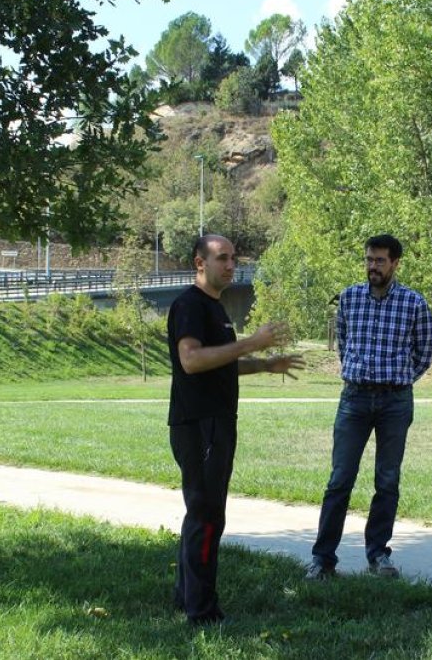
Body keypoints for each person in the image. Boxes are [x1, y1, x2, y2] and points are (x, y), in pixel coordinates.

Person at [167, 234, 304, 625]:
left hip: (216, 423)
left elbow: (219, 362)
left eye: (233, 259)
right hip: (200, 426)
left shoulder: (214, 308)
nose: (231, 265)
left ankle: (187, 596)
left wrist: (264, 363)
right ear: (200, 263)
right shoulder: (190, 306)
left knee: (203, 512)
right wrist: (250, 343)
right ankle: (202, 611)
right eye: (222, 258)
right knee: (207, 516)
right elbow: (191, 361)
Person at [306, 234, 432, 580]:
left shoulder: (414, 303)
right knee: (340, 479)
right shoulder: (349, 298)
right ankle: (323, 559)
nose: (372, 267)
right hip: (355, 398)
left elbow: (424, 352)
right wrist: (359, 372)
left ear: (395, 263)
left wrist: (400, 377)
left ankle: (379, 554)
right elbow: (344, 344)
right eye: (368, 260)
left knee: (387, 480)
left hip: (395, 400)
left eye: (380, 261)